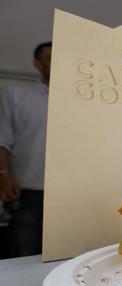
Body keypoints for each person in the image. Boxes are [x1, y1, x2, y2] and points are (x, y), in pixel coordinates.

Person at [0, 41, 51, 258]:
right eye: (49, 58)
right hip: (28, 189)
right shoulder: (15, 95)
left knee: (63, 254)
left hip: (68, 191)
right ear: (37, 64)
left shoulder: (81, 97)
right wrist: (3, 176)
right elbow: (2, 139)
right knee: (24, 251)